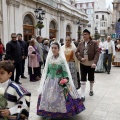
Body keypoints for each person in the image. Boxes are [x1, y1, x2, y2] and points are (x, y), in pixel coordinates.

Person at [37, 42, 85, 119]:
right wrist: (44, 81)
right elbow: (47, 71)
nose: (53, 49)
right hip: (49, 81)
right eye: (52, 48)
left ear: (59, 49)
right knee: (48, 98)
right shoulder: (49, 59)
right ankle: (48, 113)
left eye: (55, 48)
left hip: (59, 82)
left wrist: (65, 82)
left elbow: (65, 73)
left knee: (59, 98)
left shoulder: (61, 60)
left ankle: (59, 113)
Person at [75, 29, 99, 102]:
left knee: (91, 78)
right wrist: (80, 58)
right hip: (83, 63)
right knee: (83, 78)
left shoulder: (94, 43)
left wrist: (94, 62)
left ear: (89, 35)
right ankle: (82, 95)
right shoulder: (80, 44)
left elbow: (97, 53)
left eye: (85, 34)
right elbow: (76, 53)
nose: (84, 36)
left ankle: (91, 89)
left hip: (91, 64)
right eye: (83, 34)